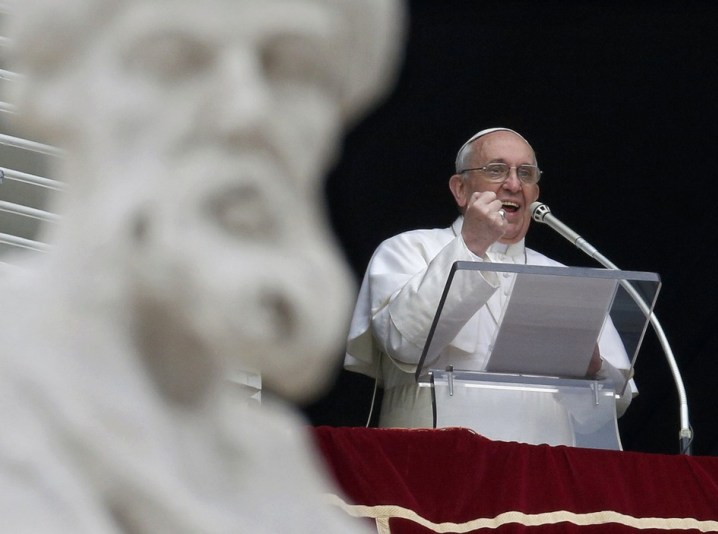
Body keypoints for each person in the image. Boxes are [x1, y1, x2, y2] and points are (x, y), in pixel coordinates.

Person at [0, 0, 403, 531]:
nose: (247, 112)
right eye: (174, 61)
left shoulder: (276, 468)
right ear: (53, 88)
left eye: (291, 69)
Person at [345, 127, 633, 447]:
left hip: (541, 480)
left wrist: (593, 370)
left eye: (525, 173)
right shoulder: (409, 250)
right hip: (433, 470)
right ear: (460, 189)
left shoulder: (561, 276)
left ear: (535, 193)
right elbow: (404, 343)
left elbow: (612, 408)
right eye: (496, 170)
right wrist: (472, 244)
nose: (513, 184)